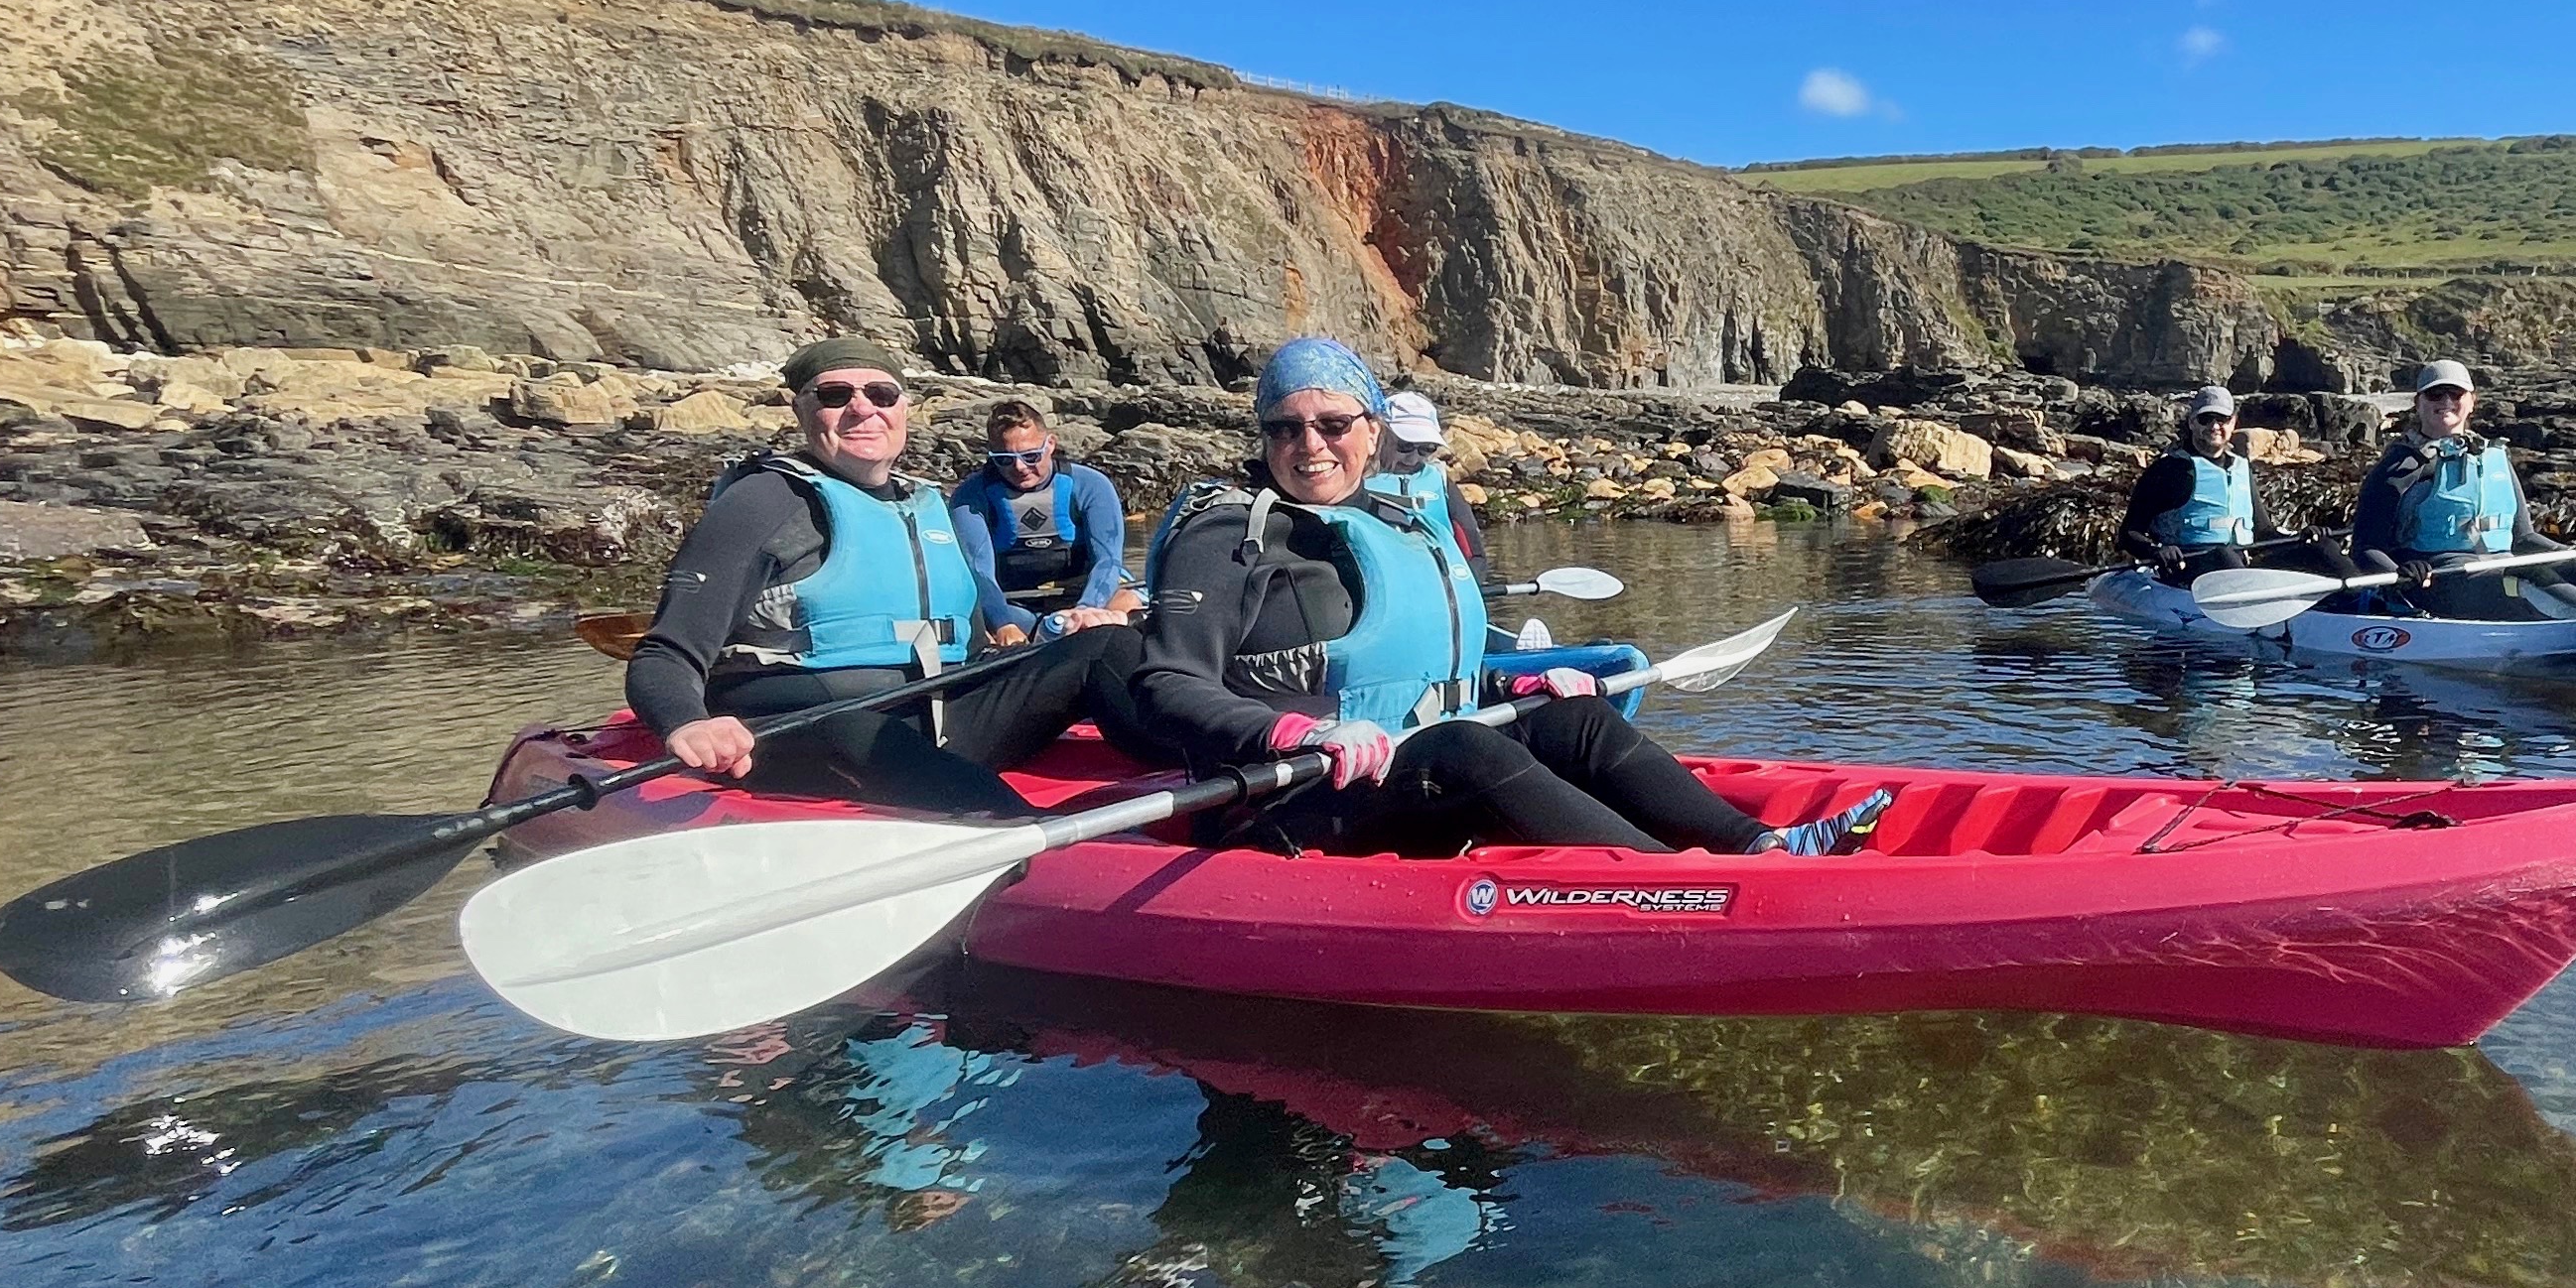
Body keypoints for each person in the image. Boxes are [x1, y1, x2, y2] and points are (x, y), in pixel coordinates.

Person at [1126, 336, 1889, 857]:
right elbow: (1164, 685)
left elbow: (1415, 675)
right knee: (1461, 747)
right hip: (1290, 802)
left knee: (1565, 717)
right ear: (1264, 438)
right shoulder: (1229, 535)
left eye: (1332, 423)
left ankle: (1759, 845)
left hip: (1402, 775)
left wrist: (1511, 684)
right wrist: (1295, 731)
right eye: (1285, 429)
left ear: (1373, 428)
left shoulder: (1391, 521)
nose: (1310, 445)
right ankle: (1682, 886)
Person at [626, 336, 1151, 819]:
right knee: (864, 733)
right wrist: (687, 721)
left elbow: (973, 649)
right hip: (811, 721)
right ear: (801, 409)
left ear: (903, 408)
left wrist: (1052, 640)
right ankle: (1023, 836)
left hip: (937, 712)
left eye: (881, 393)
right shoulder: (760, 502)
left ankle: (1197, 767)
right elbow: (665, 653)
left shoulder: (927, 504)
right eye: (835, 395)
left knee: (1106, 646)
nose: (862, 408)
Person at [2346, 360, 2576, 621]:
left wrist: (2572, 553)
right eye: (2434, 395)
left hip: (2498, 567)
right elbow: (2365, 547)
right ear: (2418, 403)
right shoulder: (2400, 466)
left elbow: (2523, 537)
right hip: (2440, 581)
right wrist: (2400, 573)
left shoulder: (2494, 457)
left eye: (2455, 393)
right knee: (2527, 577)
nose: (2445, 402)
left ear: (2472, 401)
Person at [948, 400, 1143, 644]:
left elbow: (1108, 560)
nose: (1020, 467)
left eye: (1031, 456)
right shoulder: (970, 497)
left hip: (1088, 600)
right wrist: (1003, 625)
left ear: (1050, 444)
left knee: (1127, 601)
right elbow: (978, 573)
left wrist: (1084, 612)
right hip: (1015, 609)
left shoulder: (1091, 485)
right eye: (1004, 459)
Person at [2114, 384, 2320, 583]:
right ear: (2192, 422)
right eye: (2205, 419)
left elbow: (2264, 532)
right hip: (2190, 566)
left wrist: (2302, 538)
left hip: (2241, 565)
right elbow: (2129, 533)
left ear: (2233, 422)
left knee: (2322, 547)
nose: (2214, 427)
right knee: (2223, 555)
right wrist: (2155, 550)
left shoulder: (2241, 468)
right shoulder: (2169, 470)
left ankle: (2339, 598)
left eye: (2222, 419)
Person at [1377, 388, 1493, 589]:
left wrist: (1466, 589)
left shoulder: (1439, 479)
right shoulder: (1356, 480)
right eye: (1404, 446)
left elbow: (1475, 555)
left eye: (1426, 449)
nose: (1413, 458)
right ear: (1379, 435)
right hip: (1385, 587)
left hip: (1442, 586)